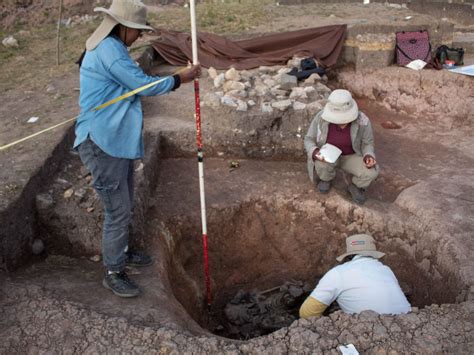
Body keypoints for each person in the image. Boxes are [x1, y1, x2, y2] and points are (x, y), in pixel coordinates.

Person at [74, 0, 201, 298]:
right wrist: (180, 77)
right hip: (102, 142)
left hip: (114, 140)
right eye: (138, 32)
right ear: (124, 27)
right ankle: (113, 271)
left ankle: (124, 252)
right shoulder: (110, 53)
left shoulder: (112, 47)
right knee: (117, 211)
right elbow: (143, 86)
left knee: (125, 202)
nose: (140, 38)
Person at [299, 234, 411, 319]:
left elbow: (307, 313)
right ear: (373, 254)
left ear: (348, 257)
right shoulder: (386, 270)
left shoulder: (339, 273)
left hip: (373, 334)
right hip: (411, 325)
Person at [304, 89, 378, 204]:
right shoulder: (320, 118)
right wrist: (315, 152)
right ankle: (326, 179)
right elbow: (309, 139)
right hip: (328, 156)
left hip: (351, 156)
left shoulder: (362, 120)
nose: (342, 121)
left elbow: (367, 143)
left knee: (371, 172)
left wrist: (368, 155)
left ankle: (356, 186)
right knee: (321, 164)